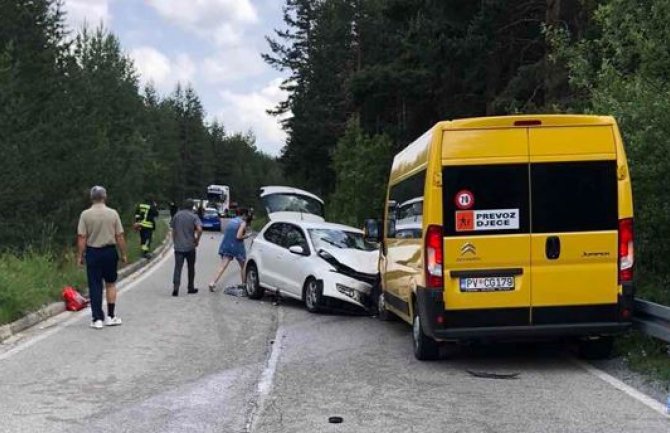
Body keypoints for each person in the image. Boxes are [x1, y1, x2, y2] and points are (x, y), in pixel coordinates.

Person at [77, 186, 128, 329]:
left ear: (91, 197)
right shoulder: (113, 214)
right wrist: (123, 253)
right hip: (110, 252)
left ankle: (97, 318)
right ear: (105, 197)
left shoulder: (85, 215)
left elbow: (82, 237)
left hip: (93, 252)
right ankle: (111, 316)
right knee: (110, 283)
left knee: (95, 285)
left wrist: (80, 256)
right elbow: (120, 235)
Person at [209, 208, 253, 292]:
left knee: (222, 266)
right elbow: (238, 236)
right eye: (246, 215)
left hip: (227, 245)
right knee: (243, 266)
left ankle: (212, 282)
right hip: (237, 246)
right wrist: (247, 235)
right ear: (244, 215)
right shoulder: (242, 223)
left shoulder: (231, 221)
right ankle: (244, 285)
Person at [171, 199, 203, 297]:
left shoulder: (177, 215)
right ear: (192, 206)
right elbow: (200, 229)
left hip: (179, 246)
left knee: (178, 268)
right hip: (190, 246)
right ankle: (190, 287)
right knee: (191, 267)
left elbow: (173, 230)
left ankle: (176, 288)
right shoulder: (194, 216)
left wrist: (175, 241)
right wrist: (197, 240)